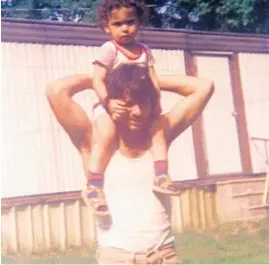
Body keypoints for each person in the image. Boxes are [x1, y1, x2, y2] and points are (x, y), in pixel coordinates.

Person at [46, 64, 214, 264]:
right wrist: (101, 82)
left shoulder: (159, 135)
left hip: (164, 257)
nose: (137, 112)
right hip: (117, 259)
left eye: (144, 102)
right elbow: (55, 90)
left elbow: (204, 87)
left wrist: (148, 81)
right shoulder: (93, 142)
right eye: (128, 103)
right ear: (112, 102)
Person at [88, 0, 177, 216]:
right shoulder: (109, 49)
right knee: (106, 134)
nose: (125, 28)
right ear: (107, 27)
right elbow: (97, 80)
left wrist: (156, 104)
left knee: (157, 129)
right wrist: (107, 103)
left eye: (130, 22)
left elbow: (153, 79)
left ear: (139, 22)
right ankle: (94, 186)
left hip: (139, 105)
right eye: (117, 24)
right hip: (111, 105)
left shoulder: (145, 51)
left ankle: (161, 174)